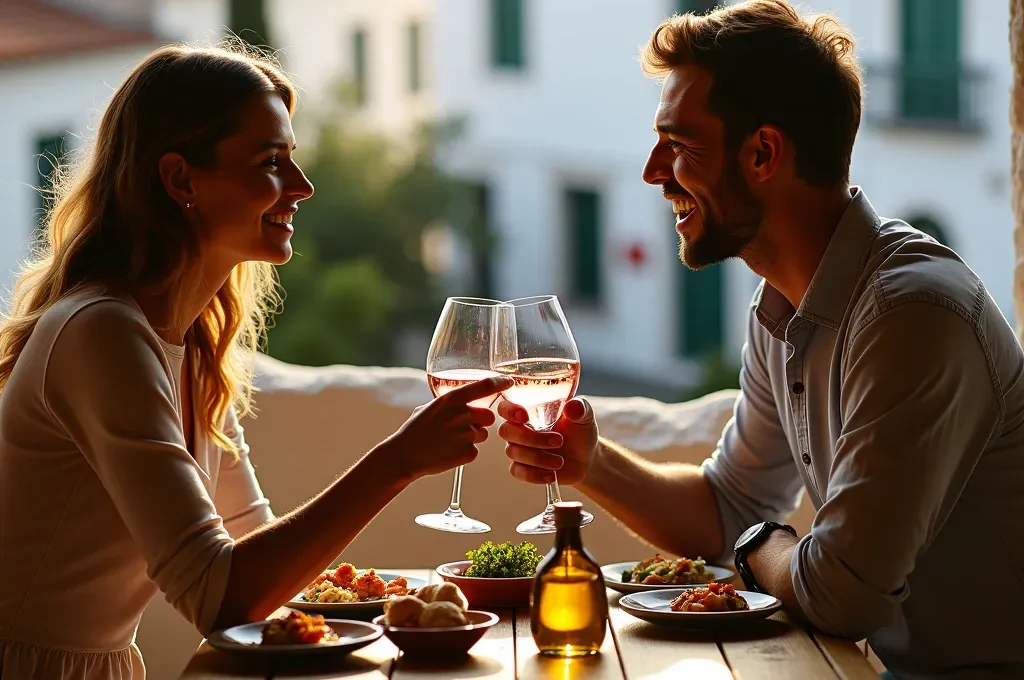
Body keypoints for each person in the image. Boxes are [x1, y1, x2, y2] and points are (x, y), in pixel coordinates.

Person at [497, 2, 1024, 678]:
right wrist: (590, 462)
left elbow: (840, 595)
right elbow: (728, 507)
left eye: (678, 144)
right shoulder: (783, 309)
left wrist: (760, 546)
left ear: (763, 154)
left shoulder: (912, 315)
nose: (652, 172)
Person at [0, 43, 509, 680]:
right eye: (272, 162)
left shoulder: (193, 348)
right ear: (181, 179)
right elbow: (220, 596)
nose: (302, 187)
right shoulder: (100, 332)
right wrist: (397, 462)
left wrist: (399, 604)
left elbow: (250, 549)